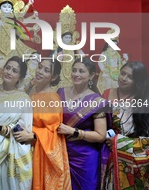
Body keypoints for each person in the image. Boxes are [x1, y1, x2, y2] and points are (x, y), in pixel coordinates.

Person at [0, 56, 33, 190]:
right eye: (8, 68)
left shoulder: (23, 99)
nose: (9, 72)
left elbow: (23, 132)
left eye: (15, 70)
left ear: (20, 77)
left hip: (13, 151)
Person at [16, 59, 72, 189]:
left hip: (39, 150)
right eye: (40, 67)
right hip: (22, 147)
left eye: (46, 70)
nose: (40, 71)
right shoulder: (30, 89)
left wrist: (33, 135)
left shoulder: (52, 98)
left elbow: (54, 131)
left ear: (54, 77)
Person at [57, 57, 108, 190]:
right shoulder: (60, 92)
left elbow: (100, 135)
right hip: (61, 152)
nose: (76, 74)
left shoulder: (97, 101)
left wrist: (74, 132)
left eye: (81, 71)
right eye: (74, 70)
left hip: (85, 159)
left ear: (91, 75)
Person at [103, 61, 149, 190]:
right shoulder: (106, 94)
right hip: (109, 156)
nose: (124, 78)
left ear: (138, 81)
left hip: (136, 163)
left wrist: (119, 142)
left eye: (130, 77)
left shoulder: (144, 100)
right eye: (123, 73)